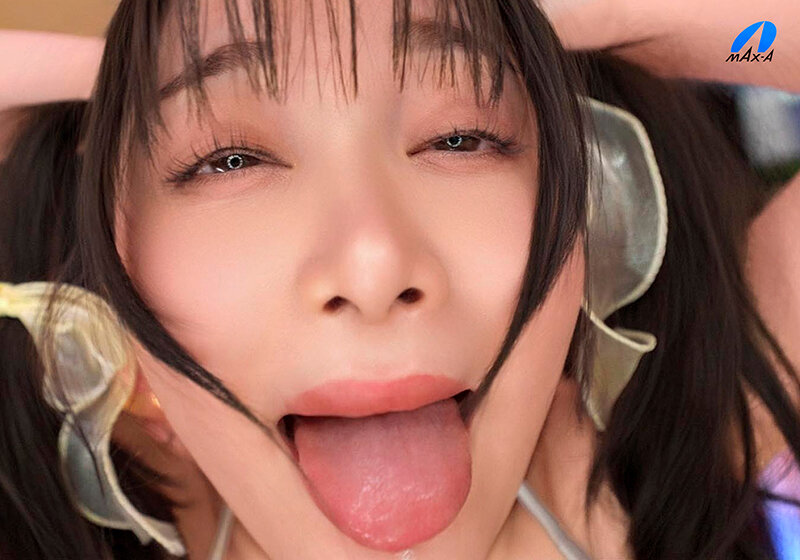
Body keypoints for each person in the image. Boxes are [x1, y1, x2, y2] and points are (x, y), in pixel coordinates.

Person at [0, 1, 798, 558]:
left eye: (460, 137)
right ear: (115, 260)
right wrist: (124, 78)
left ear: (593, 202)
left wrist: (567, 22)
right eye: (230, 158)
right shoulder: (106, 502)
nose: (372, 265)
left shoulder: (675, 448)